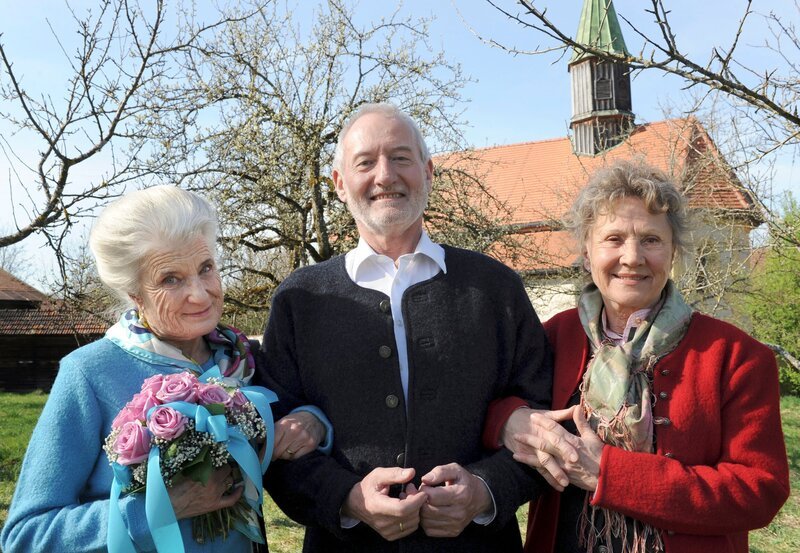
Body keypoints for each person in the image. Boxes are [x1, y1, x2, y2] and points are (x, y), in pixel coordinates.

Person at [256, 102, 553, 552]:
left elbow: (543, 414)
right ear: (339, 184)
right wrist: (348, 499)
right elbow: (274, 440)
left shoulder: (495, 287)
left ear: (428, 173)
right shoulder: (299, 299)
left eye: (400, 157)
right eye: (365, 162)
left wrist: (485, 489)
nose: (385, 175)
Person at [0, 186, 331, 553]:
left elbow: (290, 415)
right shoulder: (89, 372)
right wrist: (157, 508)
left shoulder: (239, 358)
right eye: (170, 279)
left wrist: (312, 421)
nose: (200, 294)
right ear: (135, 294)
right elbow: (25, 535)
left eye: (206, 268)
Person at [482, 160, 790, 553]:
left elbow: (760, 490)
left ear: (673, 251)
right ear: (586, 252)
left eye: (651, 240)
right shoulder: (553, 337)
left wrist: (609, 475)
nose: (632, 257)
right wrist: (510, 420)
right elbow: (491, 405)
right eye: (613, 239)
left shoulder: (737, 357)